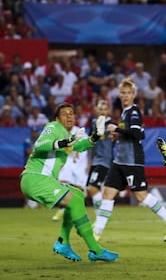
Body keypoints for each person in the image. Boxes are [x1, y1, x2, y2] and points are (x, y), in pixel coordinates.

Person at [20, 102, 118, 262]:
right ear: (57, 118)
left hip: (42, 179)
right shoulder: (53, 127)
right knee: (74, 201)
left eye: (71, 113)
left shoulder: (65, 134)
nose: (69, 116)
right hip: (35, 178)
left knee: (78, 195)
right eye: (65, 114)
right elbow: (39, 145)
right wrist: (64, 143)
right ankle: (95, 249)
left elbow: (79, 145)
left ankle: (63, 242)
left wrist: (95, 136)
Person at [93, 78, 166, 242]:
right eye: (123, 93)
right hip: (120, 161)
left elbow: (139, 134)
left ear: (134, 95)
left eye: (128, 93)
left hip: (132, 162)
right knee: (107, 194)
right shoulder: (125, 112)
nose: (125, 96)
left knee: (141, 196)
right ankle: (97, 232)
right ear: (119, 95)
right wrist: (117, 135)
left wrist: (116, 128)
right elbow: (129, 134)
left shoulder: (133, 112)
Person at [52, 124, 89, 221]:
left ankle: (78, 212)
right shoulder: (60, 132)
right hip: (67, 161)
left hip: (80, 162)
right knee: (63, 185)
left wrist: (89, 162)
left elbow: (87, 145)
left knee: (79, 189)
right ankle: (61, 210)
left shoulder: (80, 131)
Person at [86, 100, 114, 216]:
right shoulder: (93, 123)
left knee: (93, 188)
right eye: (100, 109)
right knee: (90, 188)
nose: (102, 112)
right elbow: (90, 143)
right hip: (95, 160)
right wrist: (89, 161)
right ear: (96, 111)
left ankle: (100, 215)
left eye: (104, 109)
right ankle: (102, 214)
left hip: (105, 161)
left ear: (108, 111)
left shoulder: (111, 126)